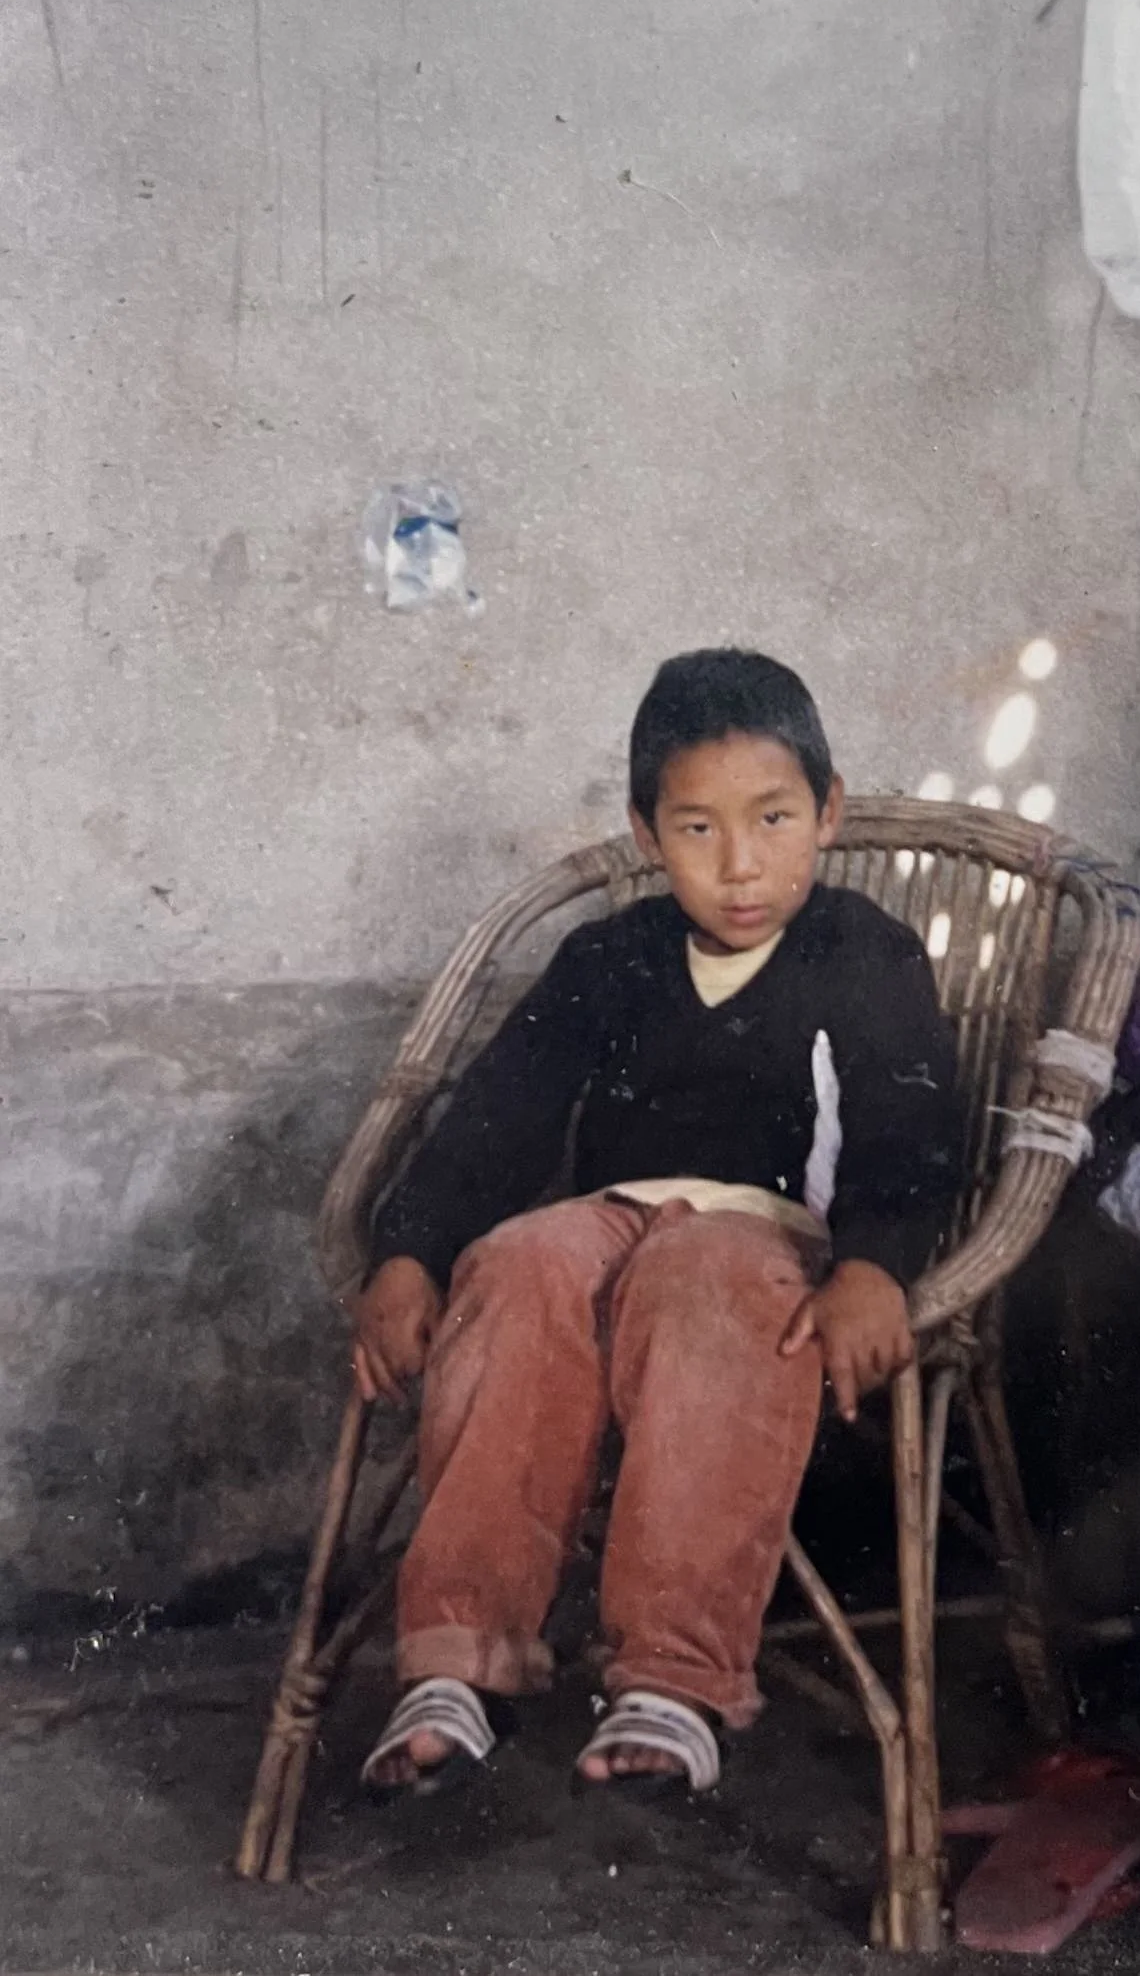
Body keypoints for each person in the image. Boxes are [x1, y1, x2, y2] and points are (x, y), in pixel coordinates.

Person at [353, 649, 961, 1798]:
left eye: (773, 818)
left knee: (705, 1276)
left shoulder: (860, 954)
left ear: (826, 814)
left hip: (768, 1243)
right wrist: (410, 1249)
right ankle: (458, 1654)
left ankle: (673, 1675)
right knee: (523, 1261)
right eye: (697, 829)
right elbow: (499, 1113)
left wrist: (879, 1264)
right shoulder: (608, 958)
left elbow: (911, 1128)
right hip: (610, 1221)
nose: (740, 864)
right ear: (645, 834)